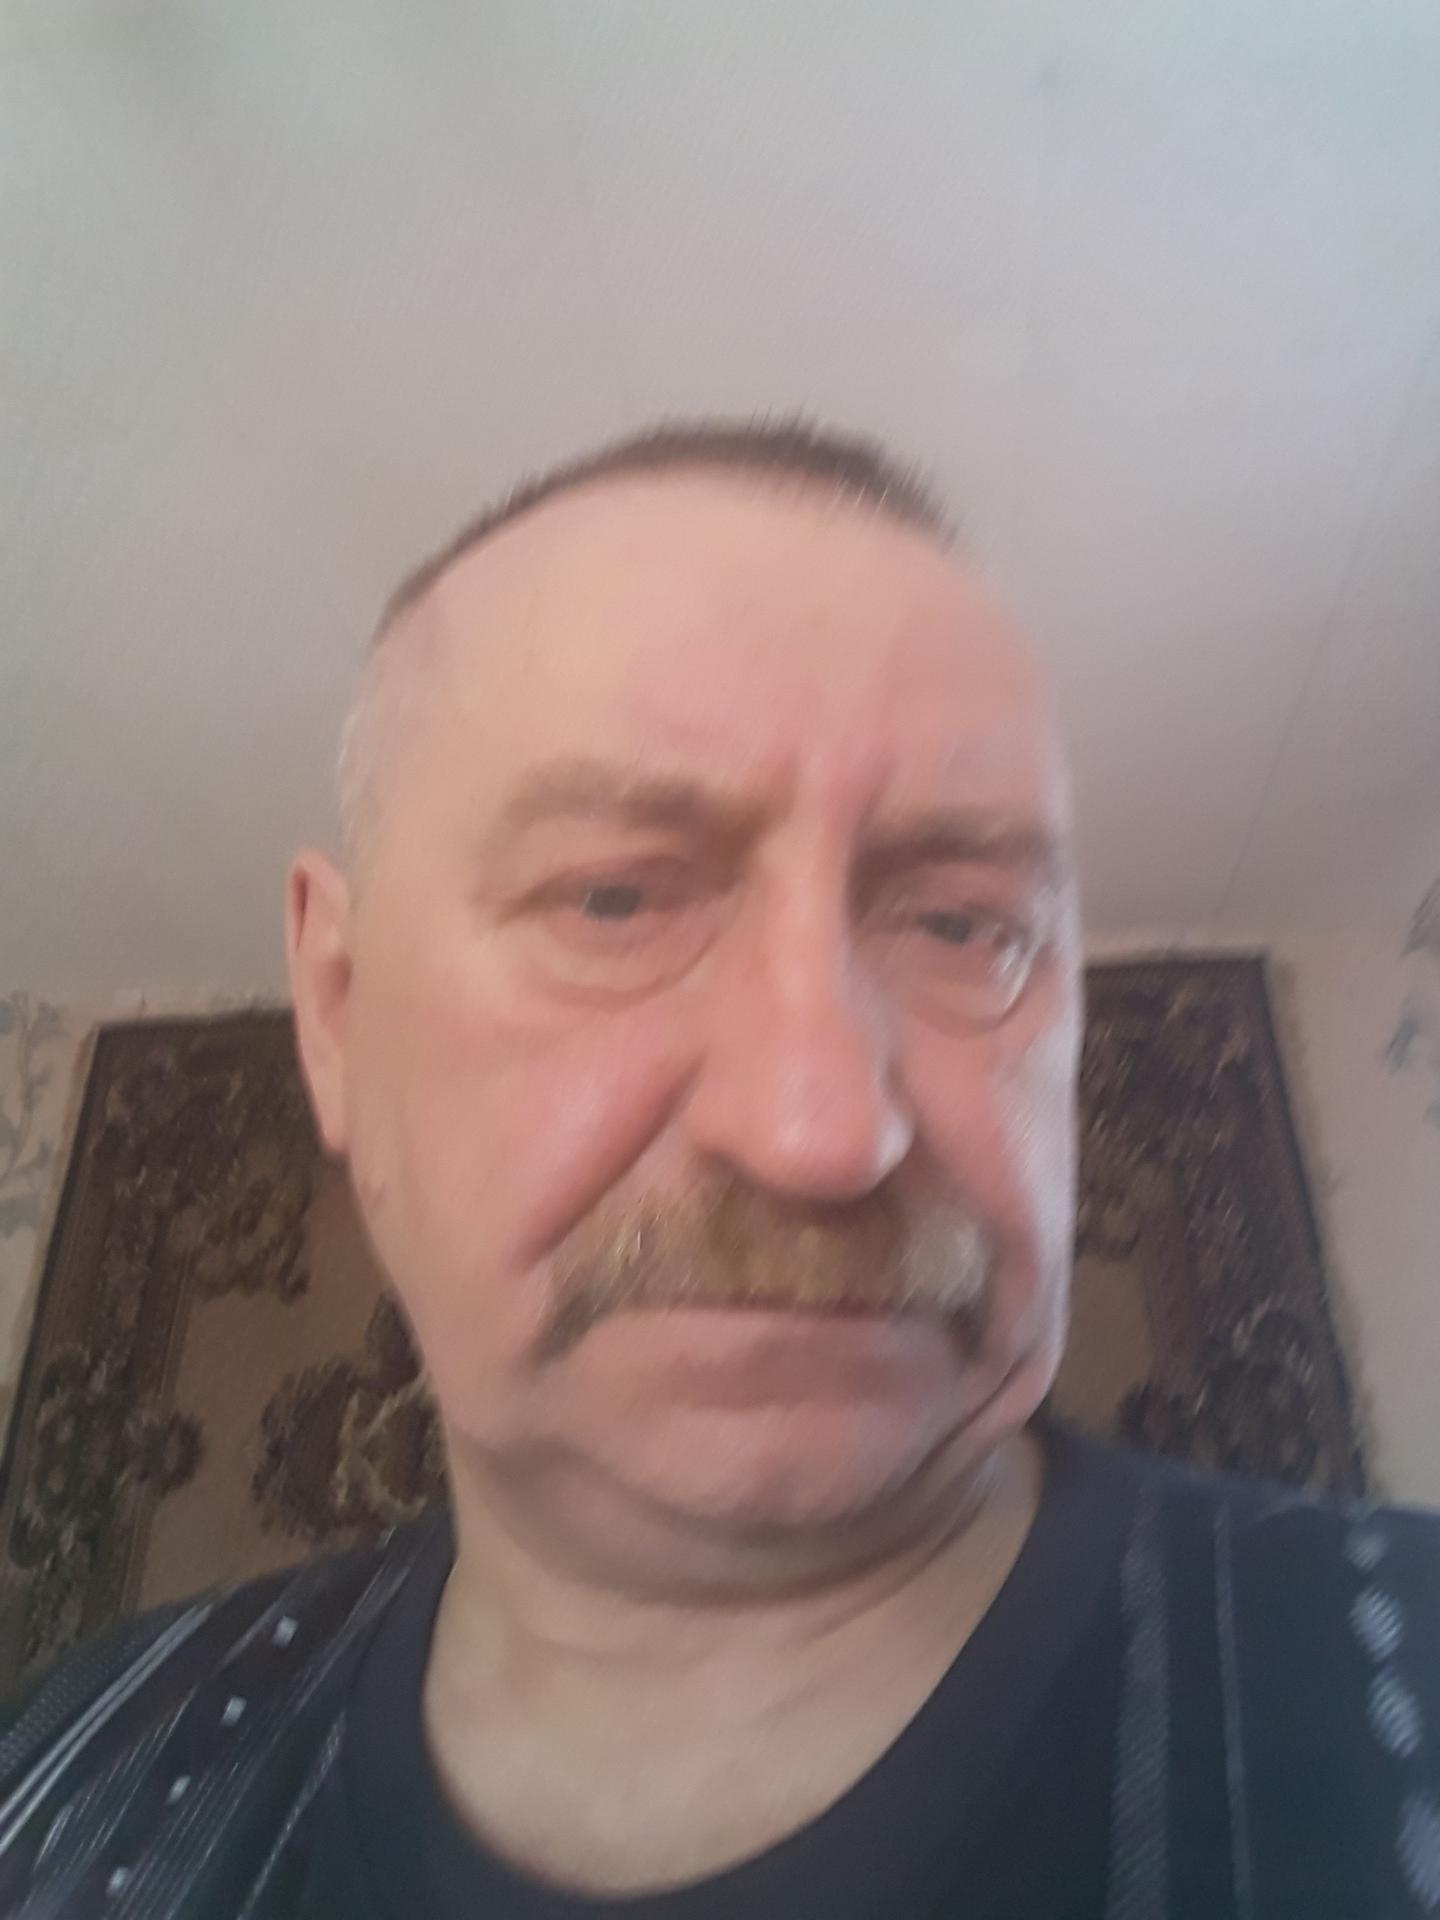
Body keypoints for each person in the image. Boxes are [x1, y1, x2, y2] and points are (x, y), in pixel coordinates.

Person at [1, 420, 1437, 1920]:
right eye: (613, 899)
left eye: (964, 925)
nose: (823, 1132)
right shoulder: (67, 1778)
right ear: (340, 1013)